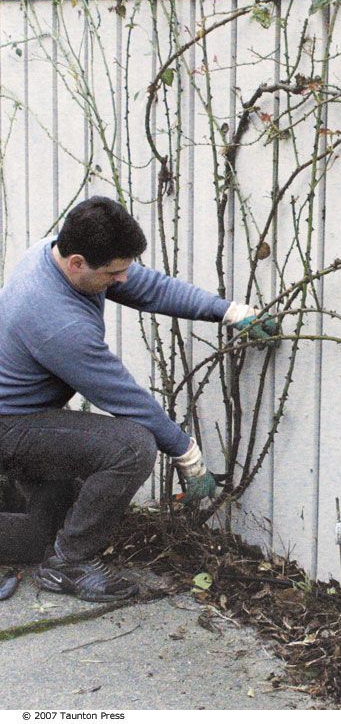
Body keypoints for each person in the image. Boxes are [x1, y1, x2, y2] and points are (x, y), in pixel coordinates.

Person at [0, 196, 278, 603]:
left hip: (24, 414)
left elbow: (149, 288)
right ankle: (71, 564)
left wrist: (228, 312)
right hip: (11, 427)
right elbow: (125, 399)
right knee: (131, 447)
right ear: (78, 263)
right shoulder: (55, 321)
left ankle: (54, 551)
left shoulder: (53, 253)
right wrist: (186, 452)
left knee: (42, 534)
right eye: (114, 272)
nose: (123, 280)